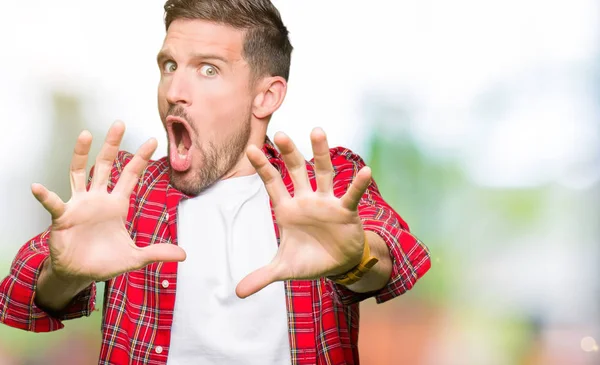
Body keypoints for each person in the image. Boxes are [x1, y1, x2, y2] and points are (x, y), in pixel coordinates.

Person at [0, 0, 431, 364]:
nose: (174, 90)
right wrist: (63, 275)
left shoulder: (322, 186)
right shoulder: (122, 191)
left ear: (266, 96)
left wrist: (352, 259)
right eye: (169, 65)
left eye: (208, 69)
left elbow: (395, 261)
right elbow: (22, 297)